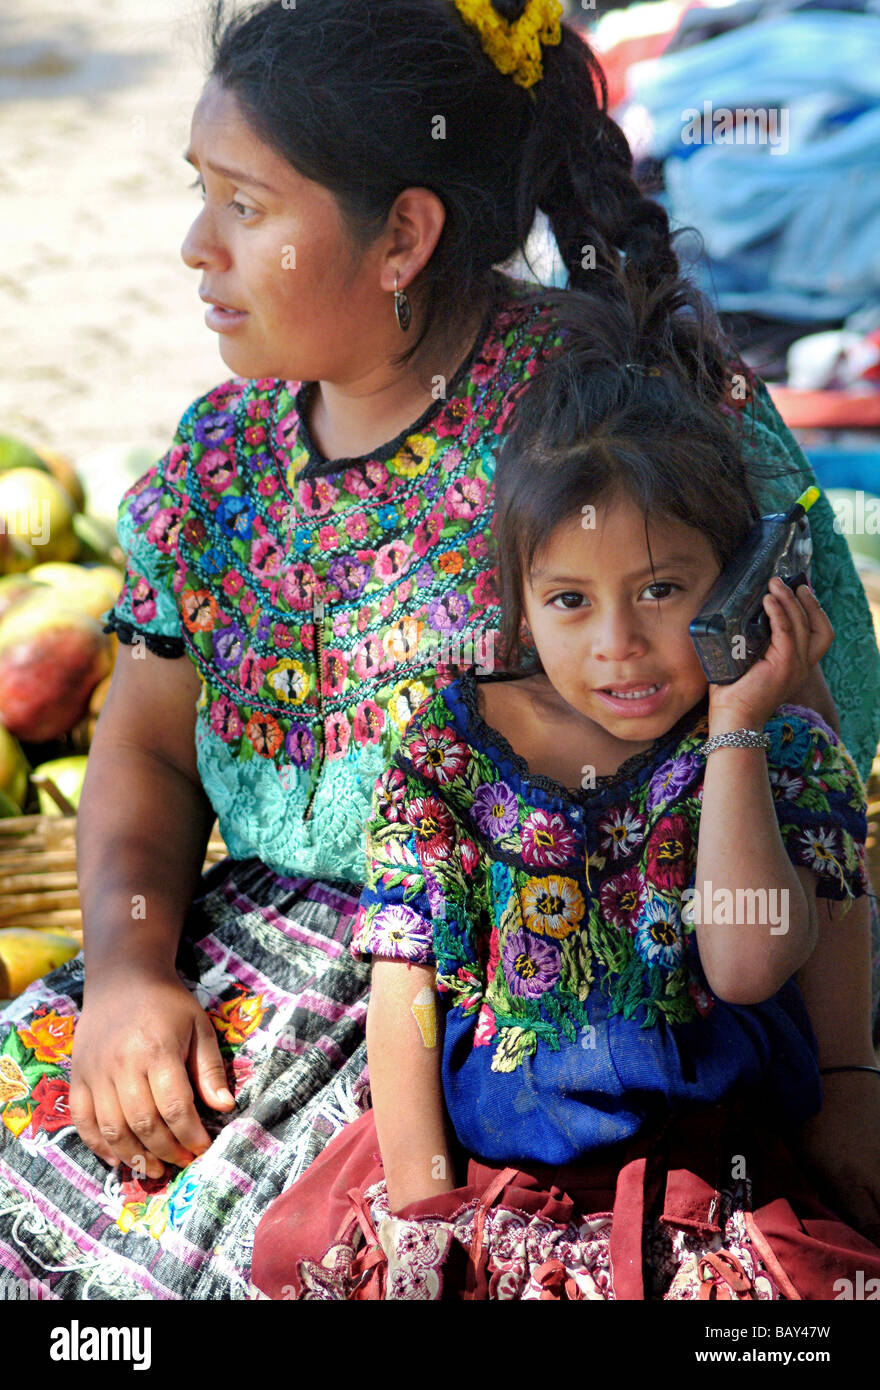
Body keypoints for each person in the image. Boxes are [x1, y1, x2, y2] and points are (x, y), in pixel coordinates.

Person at [0, 0, 877, 1301]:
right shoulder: (220, 463)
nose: (197, 247)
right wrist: (131, 968)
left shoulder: (606, 434)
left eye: (245, 205)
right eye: (203, 195)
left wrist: (849, 1080)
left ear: (403, 234)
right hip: (265, 973)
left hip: (556, 1015)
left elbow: (805, 769)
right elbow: (141, 739)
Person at [250, 274, 880, 1300]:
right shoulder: (448, 758)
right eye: (570, 600)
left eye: (662, 591)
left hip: (708, 1189)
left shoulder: (775, 749)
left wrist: (737, 726)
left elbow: (749, 964)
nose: (617, 644)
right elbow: (405, 985)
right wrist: (421, 1212)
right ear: (519, 605)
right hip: (499, 1185)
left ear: (735, 581)